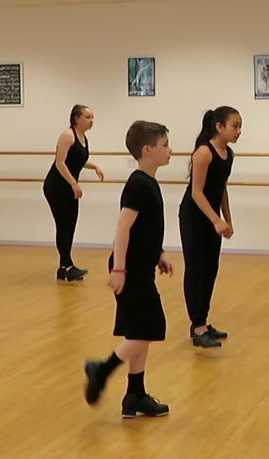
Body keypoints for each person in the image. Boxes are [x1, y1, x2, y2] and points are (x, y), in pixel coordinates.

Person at [83, 120, 173, 418]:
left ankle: (135, 395)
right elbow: (123, 227)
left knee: (140, 331)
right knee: (150, 328)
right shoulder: (139, 184)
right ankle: (101, 370)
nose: (170, 150)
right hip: (130, 269)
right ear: (147, 150)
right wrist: (119, 269)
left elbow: (143, 229)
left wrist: (158, 254)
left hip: (140, 266)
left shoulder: (148, 182)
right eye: (165, 145)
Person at [178, 106, 238, 349]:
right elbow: (197, 192)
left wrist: (227, 219)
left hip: (212, 218)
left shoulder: (229, 154)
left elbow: (221, 189)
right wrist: (216, 220)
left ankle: (202, 320)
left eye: (240, 127)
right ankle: (198, 325)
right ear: (219, 127)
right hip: (194, 217)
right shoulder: (204, 152)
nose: (238, 131)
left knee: (211, 268)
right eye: (235, 126)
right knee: (195, 269)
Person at [43, 105, 105, 282]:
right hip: (56, 187)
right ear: (77, 118)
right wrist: (74, 183)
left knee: (70, 226)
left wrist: (94, 166)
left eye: (92, 117)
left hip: (68, 187)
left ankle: (64, 268)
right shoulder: (67, 135)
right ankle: (67, 265)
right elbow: (60, 162)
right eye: (88, 117)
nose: (91, 121)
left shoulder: (83, 138)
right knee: (63, 225)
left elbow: (77, 159)